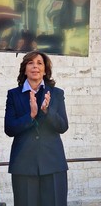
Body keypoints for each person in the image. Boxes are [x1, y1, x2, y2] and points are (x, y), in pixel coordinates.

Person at [4, 51, 69, 206]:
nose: (35, 66)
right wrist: (31, 116)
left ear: (45, 70)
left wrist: (47, 112)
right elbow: (9, 129)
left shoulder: (56, 93)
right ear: (24, 69)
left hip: (53, 163)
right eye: (30, 63)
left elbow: (63, 126)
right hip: (23, 164)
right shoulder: (13, 95)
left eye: (40, 63)